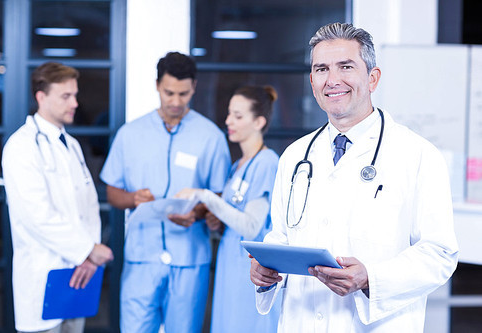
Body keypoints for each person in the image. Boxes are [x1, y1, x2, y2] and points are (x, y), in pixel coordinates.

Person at [249, 22, 459, 332]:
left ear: (372, 78)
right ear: (312, 81)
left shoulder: (418, 155)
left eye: (345, 67)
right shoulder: (295, 156)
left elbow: (439, 253)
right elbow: (283, 233)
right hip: (301, 321)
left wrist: (371, 279)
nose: (332, 80)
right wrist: (265, 267)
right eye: (321, 69)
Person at [100, 51, 231, 332]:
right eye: (169, 92)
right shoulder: (130, 134)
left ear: (194, 87)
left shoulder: (211, 137)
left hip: (190, 260)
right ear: (157, 85)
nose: (175, 102)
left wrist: (197, 213)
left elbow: (219, 196)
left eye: (183, 94)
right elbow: (112, 192)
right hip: (141, 259)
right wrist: (133, 199)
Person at [2, 62, 114, 333]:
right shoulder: (22, 146)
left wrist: (88, 258)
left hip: (78, 275)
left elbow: (87, 208)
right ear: (41, 97)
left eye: (75, 95)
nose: (75, 103)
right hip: (44, 278)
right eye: (66, 96)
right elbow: (37, 216)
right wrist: (88, 250)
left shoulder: (71, 145)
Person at [176, 85, 281, 332]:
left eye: (238, 115)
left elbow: (252, 226)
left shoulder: (266, 163)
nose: (228, 121)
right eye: (229, 114)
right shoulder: (238, 166)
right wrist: (217, 222)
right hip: (229, 262)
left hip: (252, 268)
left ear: (258, 122)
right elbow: (234, 217)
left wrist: (206, 196)